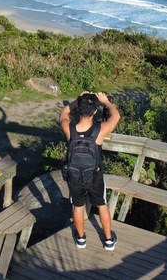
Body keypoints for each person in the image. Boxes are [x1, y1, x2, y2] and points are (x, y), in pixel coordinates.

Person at [58, 91, 121, 250]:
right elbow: (116, 116)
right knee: (101, 204)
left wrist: (78, 99)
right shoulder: (100, 130)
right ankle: (108, 240)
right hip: (95, 176)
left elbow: (64, 112)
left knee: (78, 206)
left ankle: (80, 239)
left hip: (74, 176)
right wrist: (106, 101)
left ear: (78, 109)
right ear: (95, 111)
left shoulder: (68, 127)